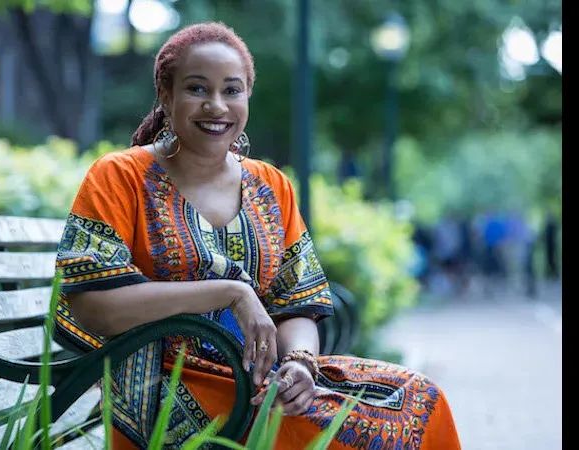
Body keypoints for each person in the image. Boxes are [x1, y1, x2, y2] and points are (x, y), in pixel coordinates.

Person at [53, 22, 460, 450]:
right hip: (160, 386)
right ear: (166, 96)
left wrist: (301, 364)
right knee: (336, 432)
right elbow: (92, 307)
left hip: (257, 378)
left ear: (247, 96)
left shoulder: (271, 185)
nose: (216, 105)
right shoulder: (120, 176)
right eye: (197, 89)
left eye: (232, 90)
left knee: (419, 401)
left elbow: (296, 301)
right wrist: (229, 293)